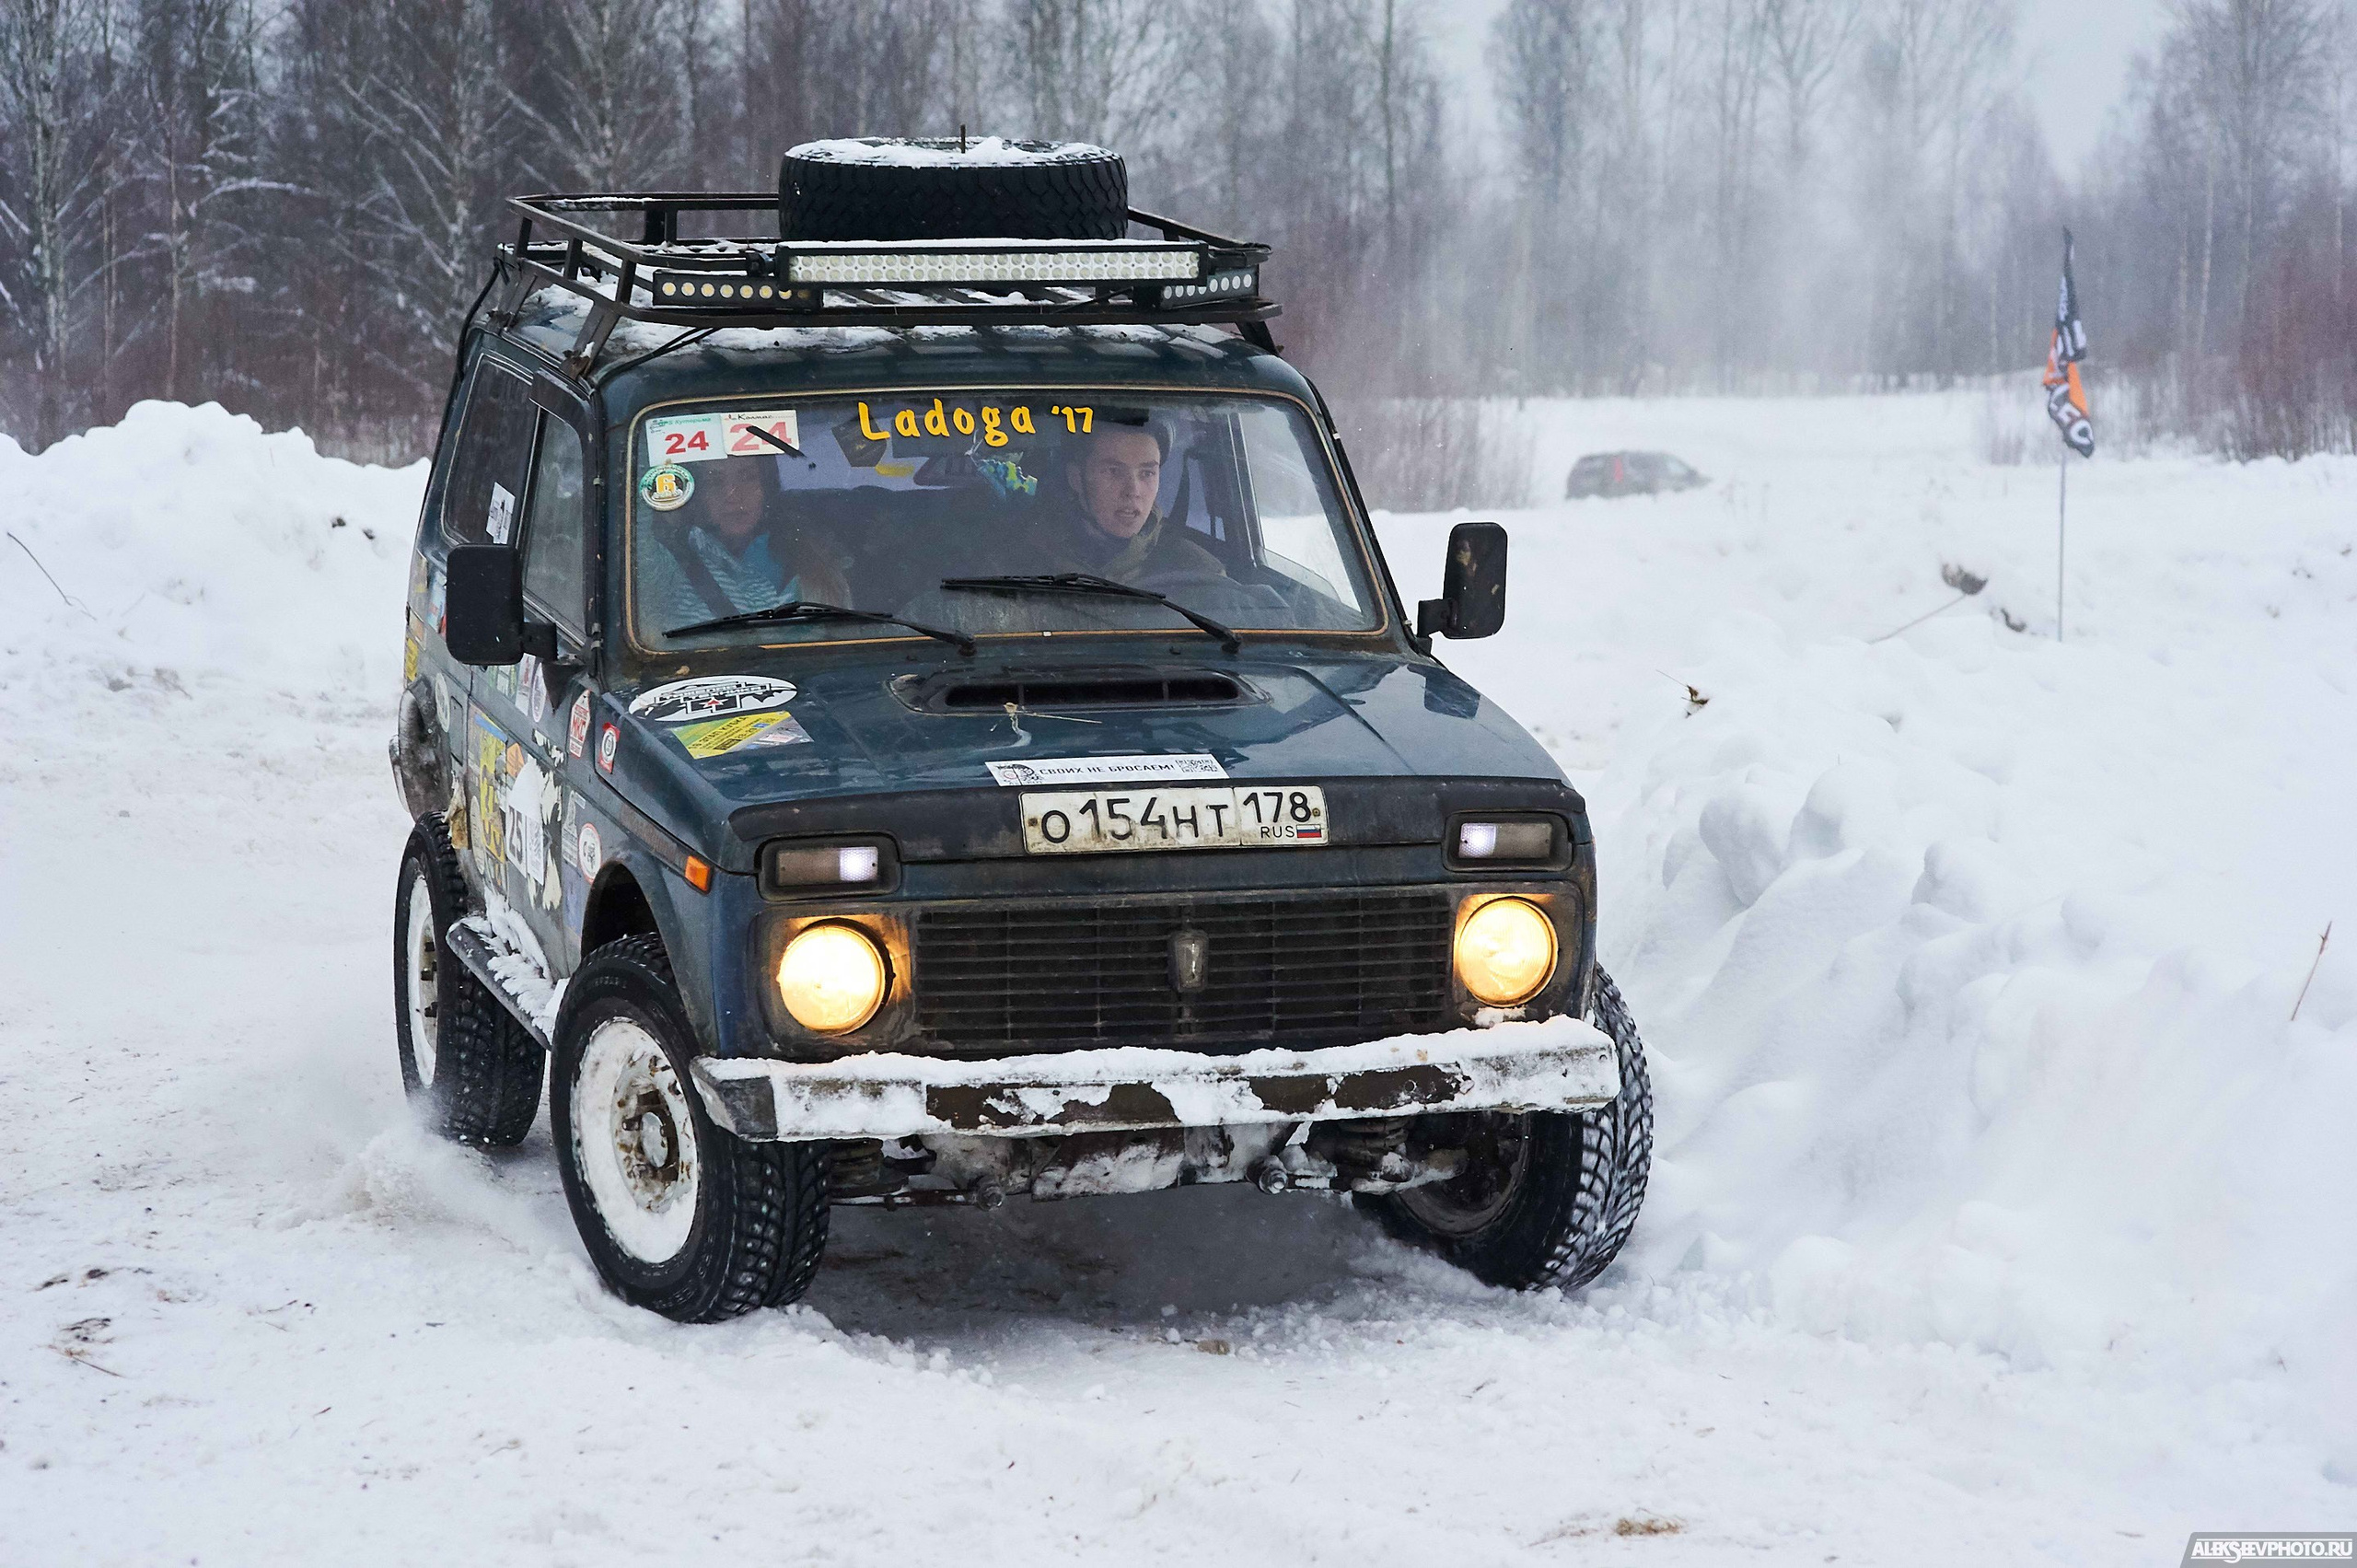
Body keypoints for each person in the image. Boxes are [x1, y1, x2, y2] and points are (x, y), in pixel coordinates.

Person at [638, 456, 846, 632]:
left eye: (747, 477)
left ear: (766, 487)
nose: (733, 495)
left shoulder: (810, 555)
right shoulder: (669, 564)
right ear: (694, 496)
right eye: (714, 481)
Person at [1028, 421, 1224, 584]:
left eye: (1147, 473)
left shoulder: (1199, 573)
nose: (1133, 491)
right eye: (1113, 471)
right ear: (1076, 479)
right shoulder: (1022, 561)